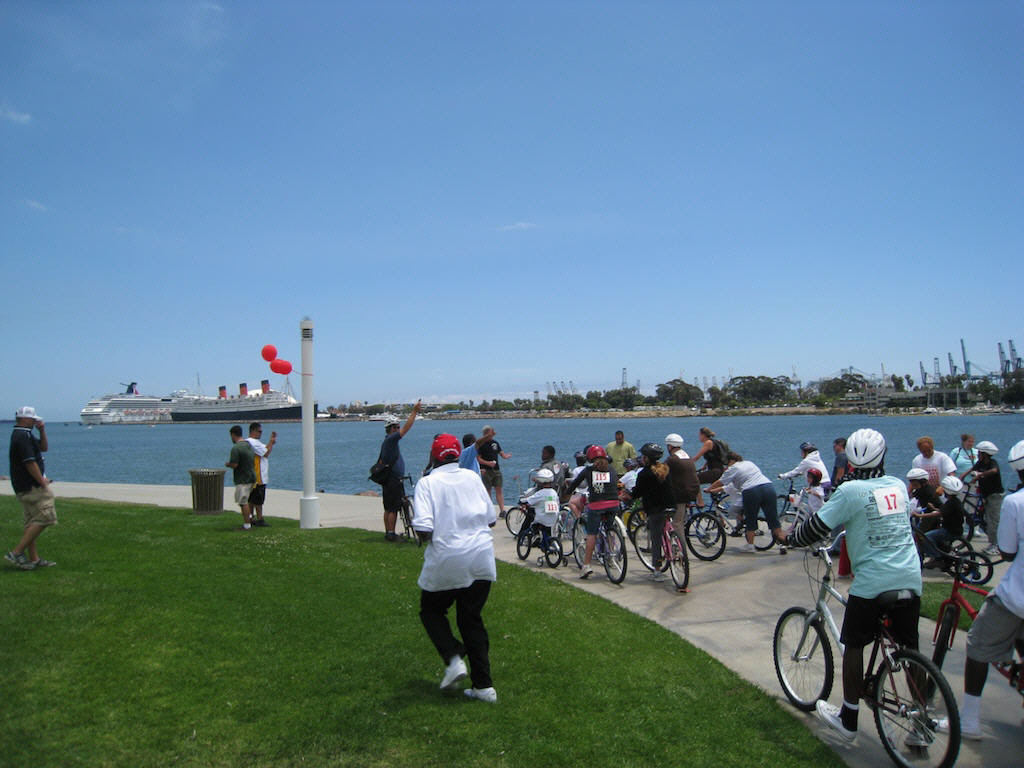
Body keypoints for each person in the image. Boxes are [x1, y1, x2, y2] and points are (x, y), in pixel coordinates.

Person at [787, 428, 922, 745]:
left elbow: (816, 527)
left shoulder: (849, 491)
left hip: (874, 581)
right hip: (910, 577)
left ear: (850, 460)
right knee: (910, 648)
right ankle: (922, 719)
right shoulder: (899, 486)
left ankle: (848, 718)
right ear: (883, 455)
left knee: (853, 645)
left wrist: (790, 538)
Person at [937, 438, 1024, 740]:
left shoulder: (1016, 502)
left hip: (1017, 598)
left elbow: (1009, 552)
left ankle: (970, 721)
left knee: (977, 646)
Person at [411, 434, 498, 702]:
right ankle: (484, 688)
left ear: (434, 456)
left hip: (449, 557)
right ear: (458, 454)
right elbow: (491, 519)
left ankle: (453, 657)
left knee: (431, 610)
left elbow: (424, 527)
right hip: (482, 557)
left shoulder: (427, 483)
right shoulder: (472, 477)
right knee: (471, 619)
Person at [5, 407, 57, 570]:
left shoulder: (24, 434)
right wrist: (42, 482)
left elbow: (43, 448)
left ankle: (34, 559)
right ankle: (17, 552)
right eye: (33, 419)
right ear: (24, 419)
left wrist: (42, 431)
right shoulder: (22, 436)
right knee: (46, 517)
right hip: (31, 487)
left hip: (23, 485)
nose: (36, 421)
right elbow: (29, 462)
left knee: (32, 522)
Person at [708, 451, 786, 555]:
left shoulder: (733, 468)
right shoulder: (749, 463)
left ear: (731, 461)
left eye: (727, 463)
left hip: (751, 491)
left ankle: (750, 546)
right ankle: (783, 544)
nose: (726, 466)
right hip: (768, 487)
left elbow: (720, 481)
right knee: (773, 519)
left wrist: (709, 489)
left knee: (751, 519)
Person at [565, 445, 619, 579]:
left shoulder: (588, 470)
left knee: (592, 534)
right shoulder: (611, 469)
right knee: (609, 529)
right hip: (614, 504)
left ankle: (586, 565)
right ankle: (612, 557)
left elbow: (575, 484)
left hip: (596, 505)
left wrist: (566, 494)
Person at [376, 400, 421, 541]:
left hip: (391, 479)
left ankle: (389, 532)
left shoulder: (387, 441)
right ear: (392, 428)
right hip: (393, 479)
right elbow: (406, 429)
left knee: (388, 507)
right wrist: (414, 411)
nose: (399, 428)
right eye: (397, 427)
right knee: (393, 508)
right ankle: (391, 534)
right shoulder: (390, 440)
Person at [631, 442, 676, 583]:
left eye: (643, 456)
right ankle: (676, 546)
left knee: (656, 540)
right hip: (670, 507)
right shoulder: (665, 469)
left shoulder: (644, 474)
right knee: (669, 530)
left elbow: (637, 492)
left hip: (655, 510)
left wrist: (628, 495)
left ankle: (657, 570)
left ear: (646, 458)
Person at [918, 475, 964, 562]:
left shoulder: (950, 503)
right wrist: (934, 508)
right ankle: (942, 553)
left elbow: (937, 514)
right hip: (956, 529)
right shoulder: (955, 501)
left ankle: (937, 558)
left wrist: (919, 515)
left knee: (926, 537)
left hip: (949, 531)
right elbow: (943, 511)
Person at [970, 441, 1004, 557]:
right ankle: (993, 542)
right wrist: (961, 478)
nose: (978, 454)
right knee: (986, 519)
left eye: (979, 452)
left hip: (995, 495)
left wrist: (979, 475)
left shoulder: (992, 463)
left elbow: (994, 471)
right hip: (985, 495)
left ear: (985, 454)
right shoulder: (980, 463)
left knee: (993, 520)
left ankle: (997, 546)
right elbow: (971, 470)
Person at [665, 434, 699, 531]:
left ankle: (680, 544)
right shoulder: (687, 456)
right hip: (693, 490)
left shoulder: (672, 459)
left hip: (682, 493)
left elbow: (661, 471)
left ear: (670, 446)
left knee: (676, 523)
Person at [226, 425, 257, 530]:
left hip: (243, 479)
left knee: (243, 502)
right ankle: (250, 519)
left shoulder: (236, 448)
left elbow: (234, 464)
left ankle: (247, 525)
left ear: (233, 435)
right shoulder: (248, 445)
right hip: (252, 476)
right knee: (246, 501)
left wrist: (228, 464)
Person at [245, 422, 276, 527]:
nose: (261, 433)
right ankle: (259, 519)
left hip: (256, 475)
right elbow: (266, 452)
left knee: (252, 499)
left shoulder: (254, 442)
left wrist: (271, 443)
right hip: (258, 476)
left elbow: (266, 452)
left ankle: (251, 518)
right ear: (253, 431)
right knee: (258, 500)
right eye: (259, 431)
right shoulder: (252, 442)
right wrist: (271, 442)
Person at [477, 425, 511, 518]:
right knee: (488, 491)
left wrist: (506, 456)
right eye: (492, 432)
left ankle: (502, 510)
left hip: (496, 470)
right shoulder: (481, 444)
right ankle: (489, 510)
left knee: (499, 490)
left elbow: (501, 453)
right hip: (486, 470)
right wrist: (488, 463)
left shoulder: (495, 443)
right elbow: (478, 459)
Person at [691, 427, 728, 505]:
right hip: (719, 470)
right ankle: (719, 514)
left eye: (699, 435)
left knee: (694, 480)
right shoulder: (714, 442)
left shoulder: (708, 443)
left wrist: (688, 464)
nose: (699, 437)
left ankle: (700, 502)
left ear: (703, 435)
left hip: (715, 471)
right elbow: (713, 456)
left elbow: (697, 457)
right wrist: (704, 466)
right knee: (714, 496)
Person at [906, 467, 942, 534]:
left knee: (920, 534)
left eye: (915, 484)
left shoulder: (927, 491)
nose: (913, 486)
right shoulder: (921, 489)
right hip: (926, 511)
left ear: (922, 482)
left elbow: (910, 496)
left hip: (931, 515)